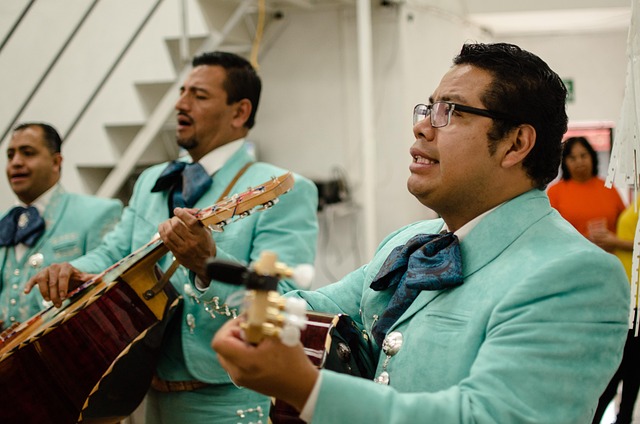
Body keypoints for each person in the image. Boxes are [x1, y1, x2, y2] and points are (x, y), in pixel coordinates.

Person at [212, 42, 630, 423]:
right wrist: (253, 316)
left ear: (515, 144)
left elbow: (491, 416)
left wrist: (309, 391)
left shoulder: (575, 274)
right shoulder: (410, 241)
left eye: (451, 111)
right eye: (427, 109)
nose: (423, 127)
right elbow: (315, 307)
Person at [25, 51, 318, 424]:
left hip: (230, 402)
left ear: (239, 112)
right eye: (181, 92)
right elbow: (114, 252)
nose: (180, 103)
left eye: (199, 95)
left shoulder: (284, 188)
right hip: (146, 395)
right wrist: (71, 269)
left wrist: (209, 265)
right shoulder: (152, 179)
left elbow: (284, 300)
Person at [0, 122, 122, 330]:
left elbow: (109, 296)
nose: (16, 162)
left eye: (28, 153)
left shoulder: (98, 212)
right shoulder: (3, 223)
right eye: (10, 156)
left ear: (56, 162)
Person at [590, 199, 640, 424]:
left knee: (620, 368)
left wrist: (615, 241)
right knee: (628, 367)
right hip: (627, 293)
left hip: (635, 300)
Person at [547, 136, 626, 251]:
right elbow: (550, 232)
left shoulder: (608, 187)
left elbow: (626, 223)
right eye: (572, 158)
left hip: (611, 256)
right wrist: (585, 240)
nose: (579, 162)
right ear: (564, 162)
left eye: (583, 156)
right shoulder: (555, 192)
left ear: (592, 157)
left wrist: (615, 241)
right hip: (573, 257)